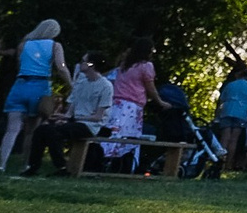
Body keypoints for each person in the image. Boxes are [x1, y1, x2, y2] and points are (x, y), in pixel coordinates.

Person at [0, 20, 67, 173]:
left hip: (20, 85)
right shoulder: (55, 46)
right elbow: (61, 67)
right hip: (40, 87)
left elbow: (19, 65)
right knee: (31, 131)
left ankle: (2, 164)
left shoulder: (24, 45)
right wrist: (71, 83)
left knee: (12, 129)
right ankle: (26, 164)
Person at [27, 54, 112, 175]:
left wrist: (73, 118)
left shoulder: (106, 86)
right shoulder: (81, 83)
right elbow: (71, 108)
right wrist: (64, 117)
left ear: (91, 65)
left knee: (54, 133)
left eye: (83, 61)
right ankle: (33, 166)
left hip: (90, 125)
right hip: (75, 121)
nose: (80, 64)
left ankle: (62, 167)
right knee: (41, 130)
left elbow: (98, 117)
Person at [104, 41, 160, 173]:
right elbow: (150, 88)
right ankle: (124, 165)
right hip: (132, 106)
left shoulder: (125, 65)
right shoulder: (146, 66)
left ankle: (104, 161)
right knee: (129, 137)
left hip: (116, 104)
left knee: (113, 133)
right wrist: (160, 101)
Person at [214, 63, 247, 172]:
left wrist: (217, 114)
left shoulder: (230, 85)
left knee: (225, 138)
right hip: (241, 113)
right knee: (234, 139)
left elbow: (222, 100)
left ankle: (218, 162)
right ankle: (228, 165)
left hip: (227, 111)